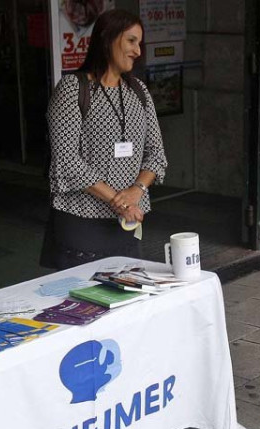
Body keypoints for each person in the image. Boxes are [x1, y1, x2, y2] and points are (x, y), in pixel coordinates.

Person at [40, 9, 167, 270]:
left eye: (139, 43)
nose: (138, 51)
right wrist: (117, 200)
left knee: (127, 299)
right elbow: (67, 161)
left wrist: (136, 191)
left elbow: (156, 154)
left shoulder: (138, 91)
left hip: (127, 221)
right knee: (83, 304)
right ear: (108, 38)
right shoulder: (73, 89)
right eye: (131, 41)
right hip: (81, 220)